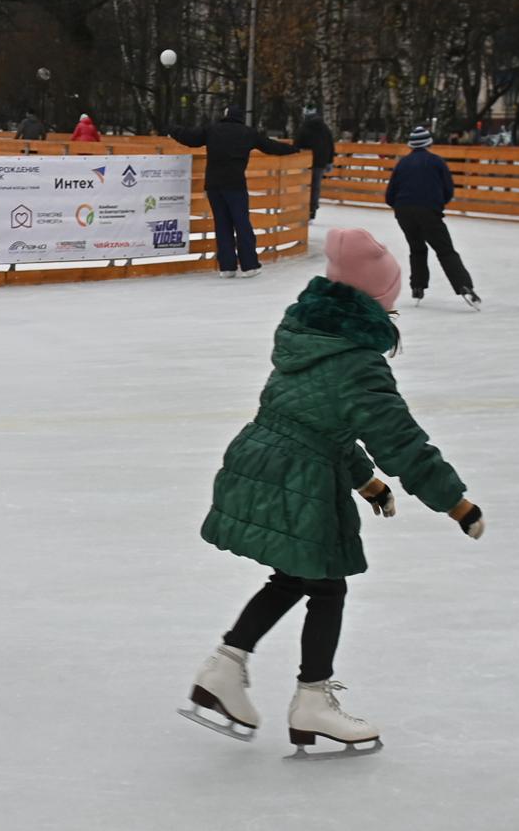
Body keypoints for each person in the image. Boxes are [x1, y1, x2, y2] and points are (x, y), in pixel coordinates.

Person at [183, 228, 484, 750]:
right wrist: (455, 502)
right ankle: (311, 701)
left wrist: (365, 481)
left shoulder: (309, 337)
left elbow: (322, 424)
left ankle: (226, 669)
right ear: (375, 302)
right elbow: (402, 442)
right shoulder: (358, 363)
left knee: (300, 579)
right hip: (298, 480)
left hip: (266, 463)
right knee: (324, 584)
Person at [166, 105, 298, 278]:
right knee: (242, 224)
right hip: (235, 185)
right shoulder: (248, 133)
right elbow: (271, 146)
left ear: (226, 115)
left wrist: (172, 128)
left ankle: (227, 267)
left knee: (222, 225)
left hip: (214, 185)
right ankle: (249, 265)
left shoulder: (212, 130)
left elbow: (190, 137)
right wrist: (294, 148)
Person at [384, 125, 478, 306]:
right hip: (428, 211)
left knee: (417, 249)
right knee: (445, 250)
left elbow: (390, 195)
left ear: (411, 145)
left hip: (404, 211)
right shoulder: (437, 162)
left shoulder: (402, 163)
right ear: (429, 143)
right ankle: (464, 285)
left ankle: (417, 287)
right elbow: (448, 189)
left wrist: (400, 207)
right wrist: (436, 205)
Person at [297, 108, 336, 218]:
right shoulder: (324, 128)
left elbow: (297, 144)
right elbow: (330, 144)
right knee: (315, 186)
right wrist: (329, 161)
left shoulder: (304, 128)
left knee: (303, 185)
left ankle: (303, 207)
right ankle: (312, 209)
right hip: (320, 161)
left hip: (305, 162)